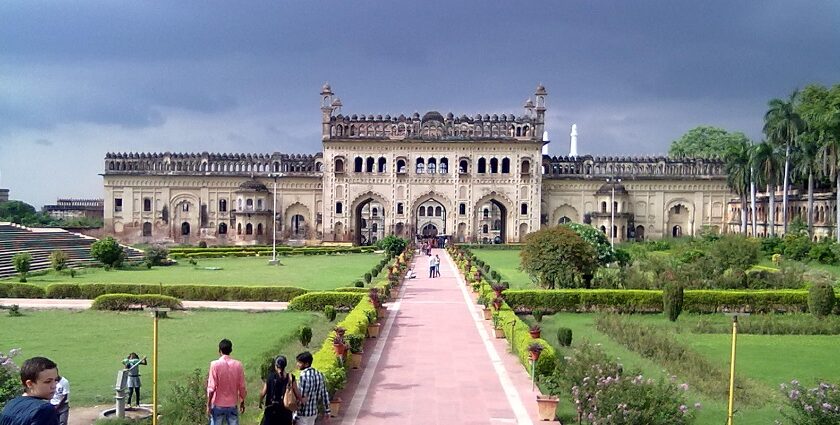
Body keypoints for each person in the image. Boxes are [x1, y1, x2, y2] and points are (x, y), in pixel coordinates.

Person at [0, 356, 59, 425]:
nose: (54, 386)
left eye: (56, 380)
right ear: (30, 384)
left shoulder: (11, 404)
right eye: (48, 382)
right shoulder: (44, 410)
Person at [207, 339, 247, 425]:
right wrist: (242, 401)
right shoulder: (238, 365)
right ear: (231, 350)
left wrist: (208, 404)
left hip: (218, 404)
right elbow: (242, 387)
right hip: (232, 403)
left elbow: (211, 388)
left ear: (219, 351)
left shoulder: (214, 365)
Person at [258, 356, 300, 425]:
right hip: (285, 413)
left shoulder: (270, 377)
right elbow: (297, 393)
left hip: (271, 412)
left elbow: (263, 393)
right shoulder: (290, 378)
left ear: (275, 366)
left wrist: (260, 402)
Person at [295, 351, 330, 425]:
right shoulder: (319, 374)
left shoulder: (303, 377)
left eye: (299, 363)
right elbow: (324, 393)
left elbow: (301, 397)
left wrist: (295, 415)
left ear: (306, 364)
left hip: (303, 414)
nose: (297, 364)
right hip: (313, 413)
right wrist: (327, 410)